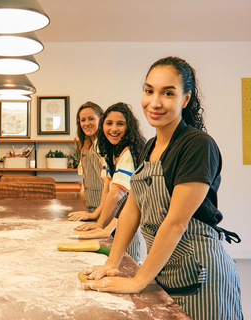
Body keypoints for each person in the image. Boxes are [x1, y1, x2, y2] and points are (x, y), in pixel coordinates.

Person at [85, 57, 242, 320]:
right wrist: (111, 263)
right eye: (149, 91)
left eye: (168, 93)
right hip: (165, 266)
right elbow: (132, 210)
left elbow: (176, 223)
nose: (154, 102)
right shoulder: (150, 147)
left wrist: (138, 280)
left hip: (200, 272)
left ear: (185, 98)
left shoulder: (197, 145)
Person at [74, 102, 145, 263]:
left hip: (125, 222)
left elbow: (119, 193)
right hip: (111, 219)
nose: (114, 129)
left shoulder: (128, 154)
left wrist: (103, 225)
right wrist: (98, 218)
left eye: (120, 124)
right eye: (110, 123)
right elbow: (108, 185)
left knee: (128, 264)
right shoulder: (113, 151)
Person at [68, 101, 105, 221]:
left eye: (91, 119)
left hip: (108, 210)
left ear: (101, 120)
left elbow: (111, 187)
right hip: (92, 208)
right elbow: (85, 181)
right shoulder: (86, 146)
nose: (86, 123)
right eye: (83, 120)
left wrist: (97, 213)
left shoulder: (104, 146)